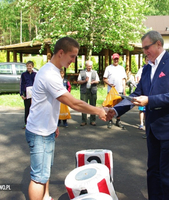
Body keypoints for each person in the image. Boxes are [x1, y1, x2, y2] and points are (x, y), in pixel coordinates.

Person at [107, 31, 169, 200]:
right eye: (144, 48)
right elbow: (136, 94)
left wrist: (149, 100)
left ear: (159, 44)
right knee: (153, 172)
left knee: (167, 176)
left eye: (147, 47)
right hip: (153, 129)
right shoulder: (146, 69)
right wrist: (115, 111)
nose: (145, 51)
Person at [25, 37, 107, 200]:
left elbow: (45, 102)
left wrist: (53, 124)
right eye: (72, 56)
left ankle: (46, 197)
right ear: (61, 53)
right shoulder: (49, 74)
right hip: (39, 132)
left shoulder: (53, 71)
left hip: (45, 129)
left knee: (45, 169)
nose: (74, 60)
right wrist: (98, 110)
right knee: (38, 178)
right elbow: (73, 103)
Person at [103, 53, 127, 129]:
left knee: (119, 106)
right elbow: (104, 78)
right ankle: (110, 120)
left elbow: (123, 79)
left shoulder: (121, 68)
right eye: (114, 59)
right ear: (112, 59)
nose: (116, 60)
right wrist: (109, 84)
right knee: (111, 106)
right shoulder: (108, 68)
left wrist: (124, 90)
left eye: (117, 59)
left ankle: (118, 120)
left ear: (118, 59)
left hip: (119, 90)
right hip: (111, 91)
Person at [77, 60, 100, 126]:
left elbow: (98, 81)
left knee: (93, 105)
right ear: (86, 66)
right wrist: (85, 81)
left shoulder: (95, 72)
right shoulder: (82, 72)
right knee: (83, 105)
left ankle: (93, 120)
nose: (89, 67)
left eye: (90, 66)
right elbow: (78, 81)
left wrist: (94, 82)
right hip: (84, 91)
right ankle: (84, 120)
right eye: (88, 66)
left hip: (93, 90)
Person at [20, 61, 36, 129]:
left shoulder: (35, 74)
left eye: (30, 66)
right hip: (27, 94)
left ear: (32, 67)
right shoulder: (23, 74)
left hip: (34, 94)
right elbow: (21, 84)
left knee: (34, 109)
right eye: (27, 66)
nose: (29, 67)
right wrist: (21, 94)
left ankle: (34, 124)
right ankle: (27, 124)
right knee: (27, 109)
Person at [135, 56, 148, 139]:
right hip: (142, 93)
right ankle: (141, 124)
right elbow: (138, 79)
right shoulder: (142, 69)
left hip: (150, 96)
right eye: (147, 59)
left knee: (148, 112)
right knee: (141, 110)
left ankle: (148, 129)